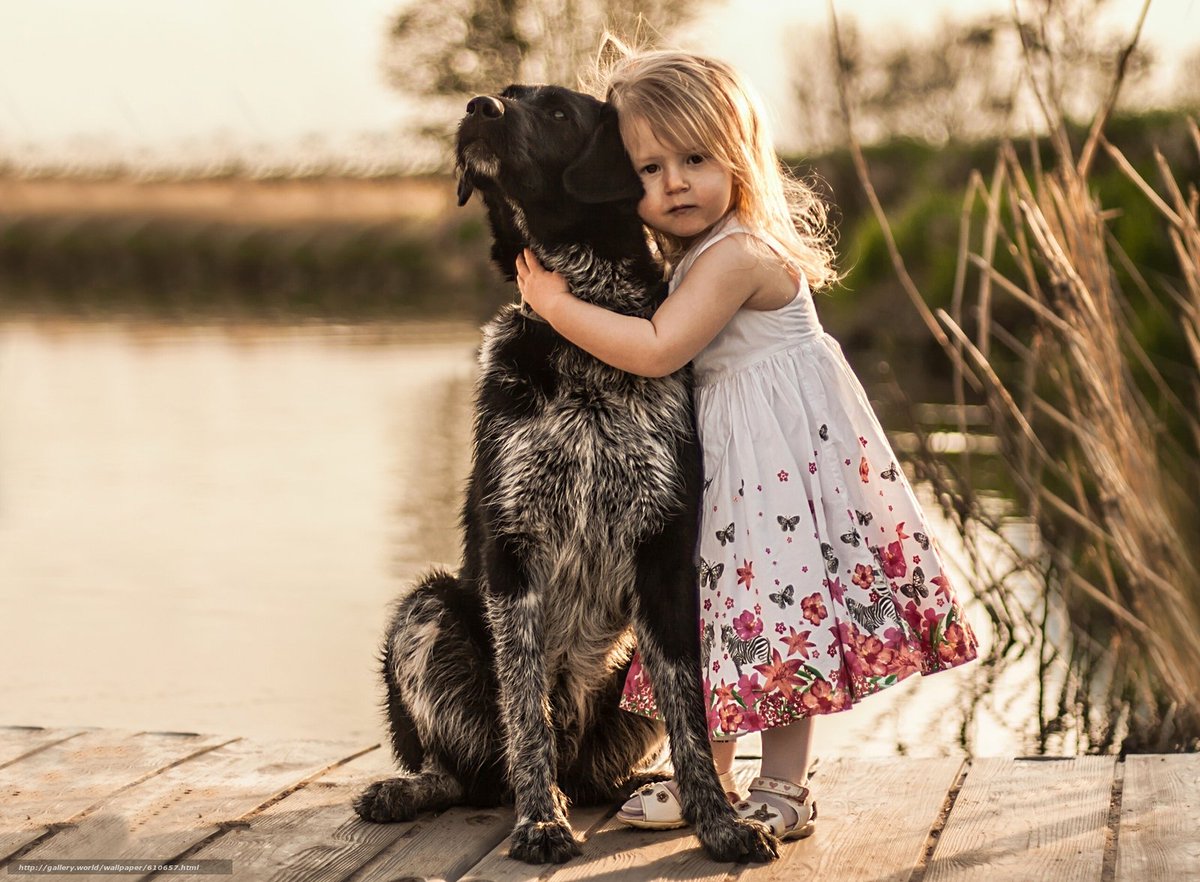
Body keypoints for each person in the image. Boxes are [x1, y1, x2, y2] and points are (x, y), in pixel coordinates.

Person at [515, 45, 979, 841]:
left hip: (779, 474)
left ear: (739, 154)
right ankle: (712, 776)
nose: (673, 185)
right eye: (650, 169)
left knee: (782, 616)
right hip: (734, 471)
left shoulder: (737, 254)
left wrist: (555, 307)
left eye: (695, 160)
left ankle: (784, 787)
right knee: (721, 618)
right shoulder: (697, 250)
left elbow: (659, 347)